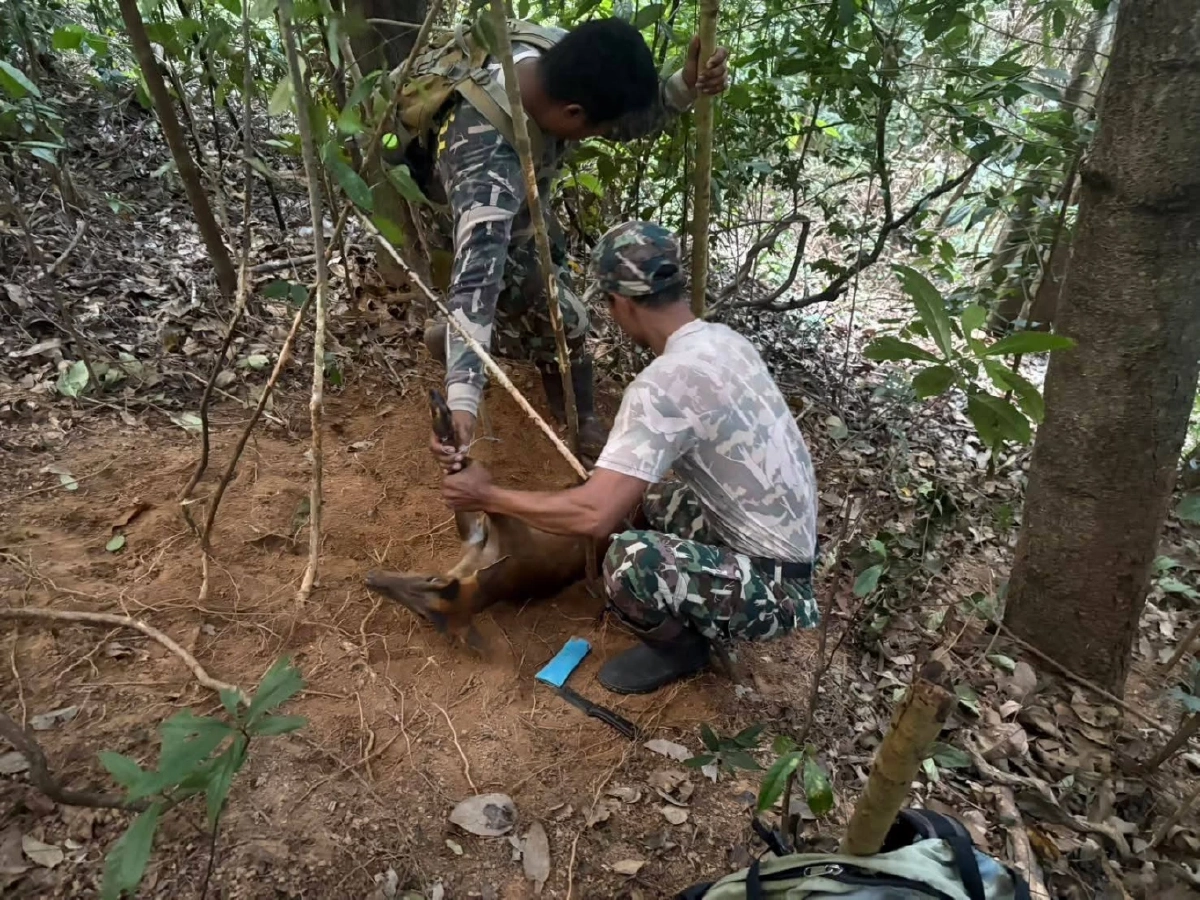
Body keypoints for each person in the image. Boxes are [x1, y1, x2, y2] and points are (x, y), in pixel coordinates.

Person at [438, 222, 820, 695]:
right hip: (793, 556)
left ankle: (681, 649)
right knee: (653, 495)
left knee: (627, 558)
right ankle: (695, 594)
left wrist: (487, 494)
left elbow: (595, 513)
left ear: (620, 303)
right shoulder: (725, 341)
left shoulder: (663, 384)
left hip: (775, 591)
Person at [419, 17, 730, 469]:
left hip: (523, 197)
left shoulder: (560, 59)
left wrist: (685, 84)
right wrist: (463, 399)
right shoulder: (487, 169)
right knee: (561, 315)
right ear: (573, 116)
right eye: (595, 131)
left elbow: (617, 118)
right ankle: (571, 409)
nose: (602, 136)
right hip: (462, 203)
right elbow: (474, 288)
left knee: (555, 285)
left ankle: (574, 409)